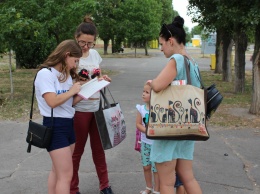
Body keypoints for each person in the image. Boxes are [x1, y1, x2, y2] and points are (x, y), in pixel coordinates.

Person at [147, 16, 203, 194]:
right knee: (188, 177)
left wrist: (150, 82)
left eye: (162, 43)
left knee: (166, 182)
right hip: (188, 127)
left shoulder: (177, 60)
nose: (161, 48)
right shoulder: (192, 62)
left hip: (169, 127)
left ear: (170, 41)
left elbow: (157, 86)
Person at [70, 15, 113, 194]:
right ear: (76, 38)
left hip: (97, 109)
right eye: (82, 43)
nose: (86, 47)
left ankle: (105, 185)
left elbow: (97, 76)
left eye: (90, 43)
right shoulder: (71, 56)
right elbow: (67, 84)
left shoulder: (95, 54)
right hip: (79, 110)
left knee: (99, 150)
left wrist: (102, 79)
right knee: (76, 153)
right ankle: (73, 188)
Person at [34, 39, 83, 194]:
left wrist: (88, 90)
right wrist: (72, 91)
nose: (75, 65)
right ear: (66, 55)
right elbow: (52, 102)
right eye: (75, 60)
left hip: (68, 124)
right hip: (54, 125)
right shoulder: (45, 74)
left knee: (57, 171)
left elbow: (68, 103)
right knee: (66, 175)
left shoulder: (65, 75)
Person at [136, 83, 160, 194]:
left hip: (157, 144)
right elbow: (138, 124)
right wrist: (146, 131)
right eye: (143, 91)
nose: (143, 94)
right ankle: (148, 188)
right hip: (145, 143)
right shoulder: (141, 109)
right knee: (146, 167)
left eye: (147, 92)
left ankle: (157, 190)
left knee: (156, 169)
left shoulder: (159, 109)